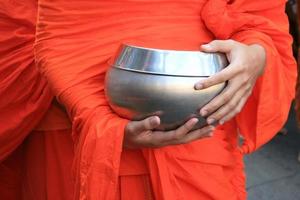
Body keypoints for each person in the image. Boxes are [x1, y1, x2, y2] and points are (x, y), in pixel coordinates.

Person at [0, 0, 296, 199]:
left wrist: (256, 54)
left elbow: (259, 13)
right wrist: (89, 111)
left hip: (199, 131)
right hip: (67, 135)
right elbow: (19, 29)